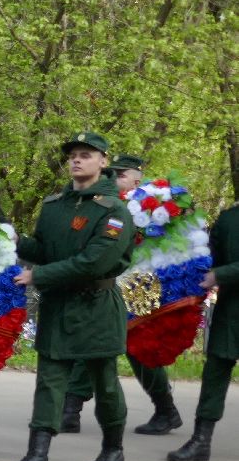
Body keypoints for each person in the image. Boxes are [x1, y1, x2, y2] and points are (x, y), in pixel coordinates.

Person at [1, 132, 135, 461]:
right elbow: (45, 250)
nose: (77, 160)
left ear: (104, 161)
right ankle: (37, 456)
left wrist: (39, 276)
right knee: (48, 381)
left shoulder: (114, 210)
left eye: (86, 155)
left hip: (96, 305)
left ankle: (113, 448)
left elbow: (94, 262)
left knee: (104, 382)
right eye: (73, 155)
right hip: (59, 305)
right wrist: (16, 240)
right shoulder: (54, 205)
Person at [58, 154, 182, 435]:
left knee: (139, 348)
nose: (111, 180)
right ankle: (71, 408)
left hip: (140, 285)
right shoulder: (102, 205)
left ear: (137, 179)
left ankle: (165, 409)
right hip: (106, 284)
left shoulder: (153, 206)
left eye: (119, 175)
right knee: (94, 341)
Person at [168, 198, 238, 461]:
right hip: (231, 310)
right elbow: (212, 258)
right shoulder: (229, 218)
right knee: (215, 373)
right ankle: (201, 440)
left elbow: (218, 270)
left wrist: (219, 275)